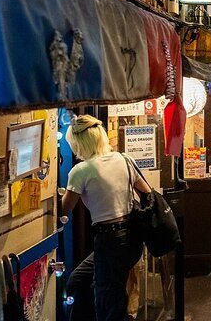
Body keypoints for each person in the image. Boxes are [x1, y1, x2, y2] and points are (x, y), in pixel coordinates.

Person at [62, 115, 151, 321]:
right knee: (87, 283)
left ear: (79, 143)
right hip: (131, 240)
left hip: (109, 240)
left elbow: (65, 209)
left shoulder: (81, 170)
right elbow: (148, 193)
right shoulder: (124, 159)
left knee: (107, 302)